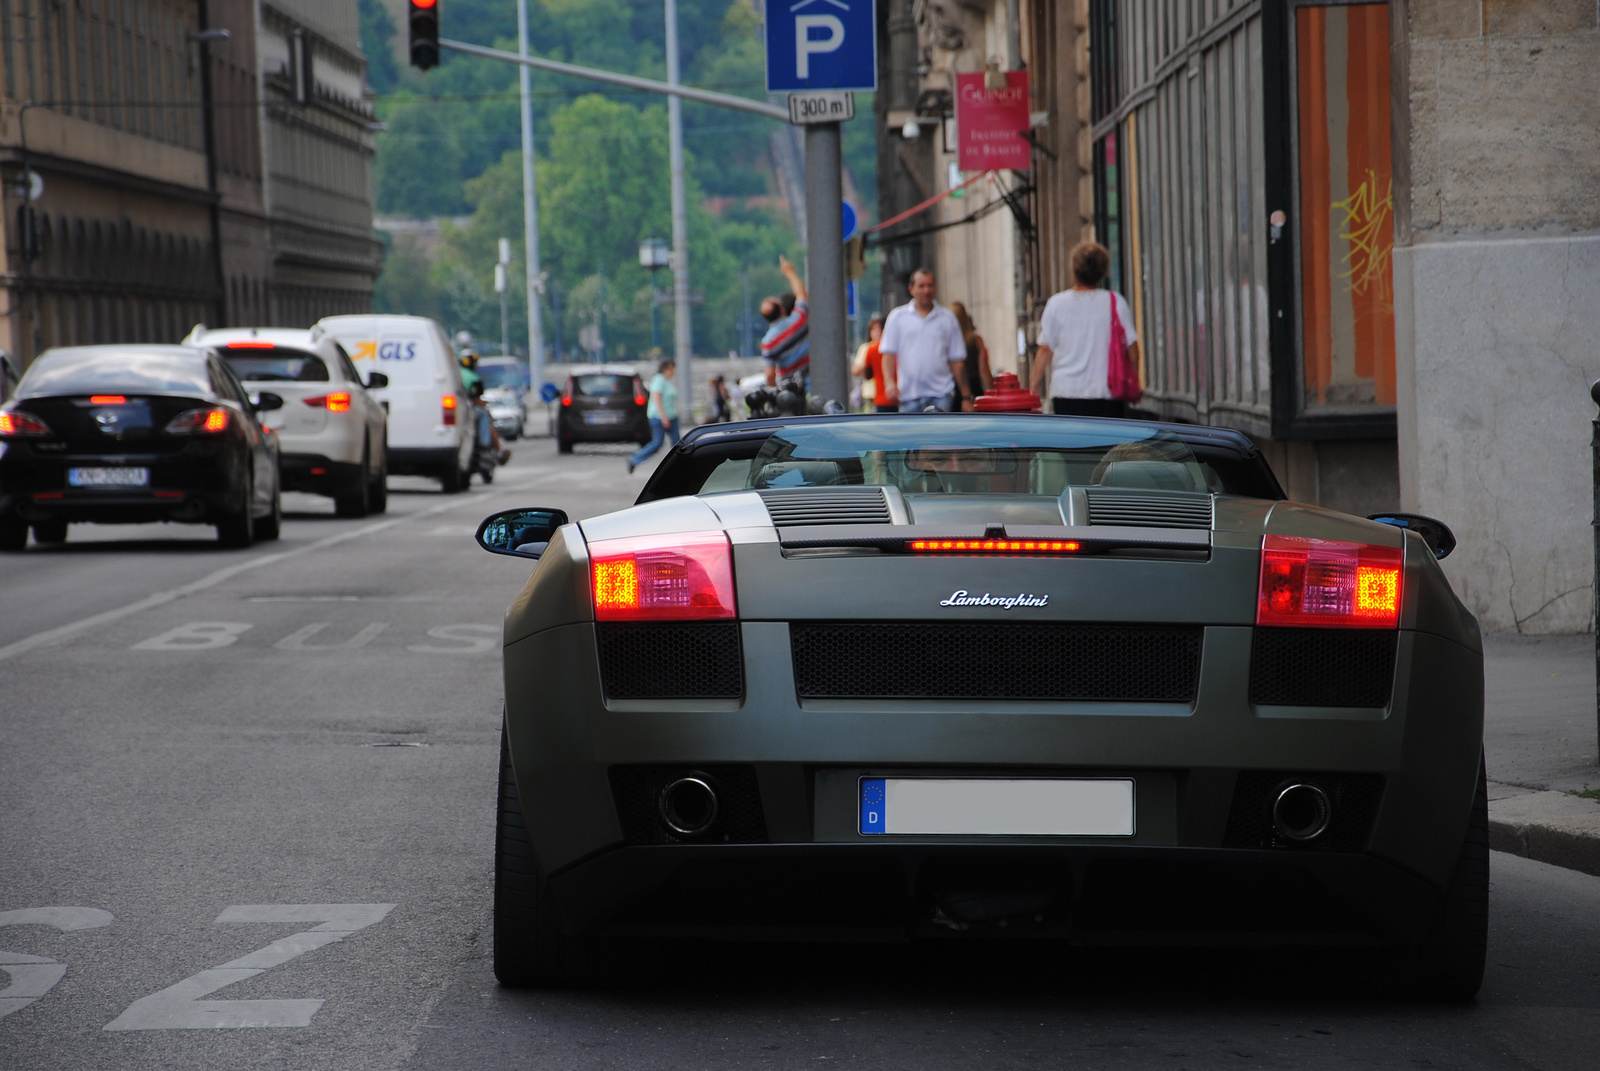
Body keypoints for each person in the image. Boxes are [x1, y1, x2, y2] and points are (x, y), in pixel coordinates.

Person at [1029, 240, 1142, 418]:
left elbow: (1044, 349)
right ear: (1103, 271)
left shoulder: (1056, 304)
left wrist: (1034, 386)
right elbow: (1132, 348)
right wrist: (1134, 380)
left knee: (1071, 445)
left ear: (1073, 270)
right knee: (1107, 445)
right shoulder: (1115, 301)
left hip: (1066, 393)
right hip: (1106, 394)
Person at [879, 269, 972, 413]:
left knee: (939, 435)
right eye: (921, 286)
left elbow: (957, 361)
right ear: (912, 289)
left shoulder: (947, 318)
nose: (926, 290)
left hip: (941, 394)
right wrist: (889, 383)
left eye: (930, 285)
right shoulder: (898, 317)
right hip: (908, 396)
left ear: (935, 288)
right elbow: (888, 354)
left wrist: (966, 396)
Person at [760, 254, 809, 388]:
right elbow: (802, 296)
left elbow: (770, 375)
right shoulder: (798, 321)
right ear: (782, 309)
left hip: (790, 392)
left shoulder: (767, 343)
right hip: (811, 383)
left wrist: (773, 394)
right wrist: (789, 272)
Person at [627, 358, 680, 474]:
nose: (674, 372)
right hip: (659, 417)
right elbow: (657, 399)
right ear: (668, 369)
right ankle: (635, 459)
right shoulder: (659, 380)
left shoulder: (666, 381)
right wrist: (663, 417)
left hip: (671, 416)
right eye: (673, 369)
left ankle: (680, 464)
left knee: (678, 444)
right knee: (657, 443)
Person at [950, 302, 993, 402]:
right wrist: (991, 392)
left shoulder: (948, 342)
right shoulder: (976, 340)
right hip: (974, 388)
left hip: (951, 390)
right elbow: (983, 370)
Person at [849, 314, 890, 412]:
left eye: (880, 329)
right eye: (874, 330)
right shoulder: (866, 348)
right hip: (870, 393)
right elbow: (856, 370)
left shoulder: (890, 349)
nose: (878, 333)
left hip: (887, 394)